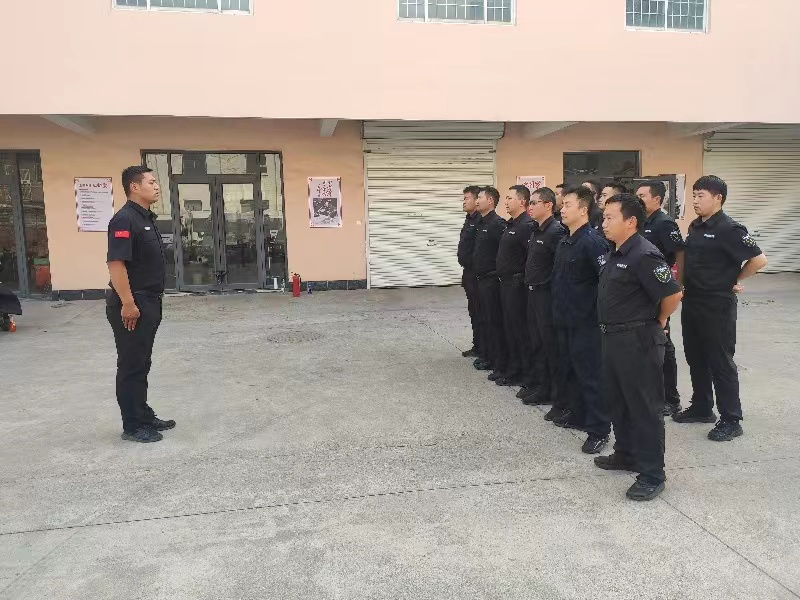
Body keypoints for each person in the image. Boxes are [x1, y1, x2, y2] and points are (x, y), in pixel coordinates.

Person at [595, 193, 683, 501]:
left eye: (610, 218)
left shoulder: (644, 254)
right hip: (613, 338)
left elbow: (672, 295)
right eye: (603, 217)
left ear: (631, 221)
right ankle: (626, 453)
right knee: (618, 400)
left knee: (645, 408)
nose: (603, 223)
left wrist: (659, 320)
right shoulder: (615, 251)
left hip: (638, 339)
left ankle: (652, 474)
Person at [674, 175, 768, 441]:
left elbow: (759, 260)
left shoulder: (730, 228)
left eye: (701, 195)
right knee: (695, 356)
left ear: (718, 198)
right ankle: (702, 407)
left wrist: (734, 279)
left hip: (717, 303)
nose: (695, 200)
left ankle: (731, 419)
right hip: (693, 300)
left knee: (720, 360)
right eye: (694, 195)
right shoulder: (695, 226)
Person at [106, 166, 175, 443]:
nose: (157, 186)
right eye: (151, 182)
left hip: (149, 301)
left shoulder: (145, 218)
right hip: (132, 304)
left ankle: (143, 414)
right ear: (134, 187)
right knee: (132, 365)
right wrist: (128, 303)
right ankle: (132, 425)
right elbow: (116, 264)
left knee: (142, 362)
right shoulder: (124, 219)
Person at [551, 185, 611, 453]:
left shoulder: (593, 242)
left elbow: (606, 282)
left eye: (568, 205)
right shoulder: (566, 240)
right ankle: (578, 414)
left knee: (591, 376)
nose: (562, 209)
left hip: (587, 321)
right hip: (566, 318)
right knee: (572, 371)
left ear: (584, 209)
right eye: (562, 204)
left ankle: (599, 429)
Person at [637, 180, 685, 416]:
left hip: (659, 290)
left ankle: (671, 398)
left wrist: (680, 283)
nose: (638, 199)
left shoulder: (664, 223)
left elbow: (679, 253)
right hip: (642, 291)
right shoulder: (642, 220)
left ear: (656, 199)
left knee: (663, 342)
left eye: (642, 196)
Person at [522, 187, 567, 406]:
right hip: (533, 292)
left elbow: (558, 267)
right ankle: (541, 384)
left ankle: (552, 391)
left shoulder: (555, 231)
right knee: (537, 342)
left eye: (534, 203)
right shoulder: (536, 230)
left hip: (546, 295)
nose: (529, 207)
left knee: (549, 344)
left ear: (548, 205)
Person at [494, 186, 536, 387]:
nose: (506, 201)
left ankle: (523, 373)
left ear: (522, 201)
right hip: (505, 284)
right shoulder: (511, 224)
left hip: (516, 285)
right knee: (509, 329)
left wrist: (521, 281)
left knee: (519, 331)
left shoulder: (526, 225)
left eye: (510, 198)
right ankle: (512, 368)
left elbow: (529, 258)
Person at [471, 187, 508, 378]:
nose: (476, 201)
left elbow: (503, 252)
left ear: (491, 201)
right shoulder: (481, 222)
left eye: (480, 197)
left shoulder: (497, 224)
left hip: (492, 279)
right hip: (480, 279)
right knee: (485, 319)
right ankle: (488, 354)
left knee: (494, 321)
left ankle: (497, 359)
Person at [457, 186, 483, 359]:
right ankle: (477, 345)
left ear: (476, 200)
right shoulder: (469, 219)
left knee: (481, 312)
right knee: (473, 311)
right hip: (468, 273)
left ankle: (484, 347)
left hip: (478, 274)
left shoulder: (482, 221)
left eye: (467, 198)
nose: (464, 201)